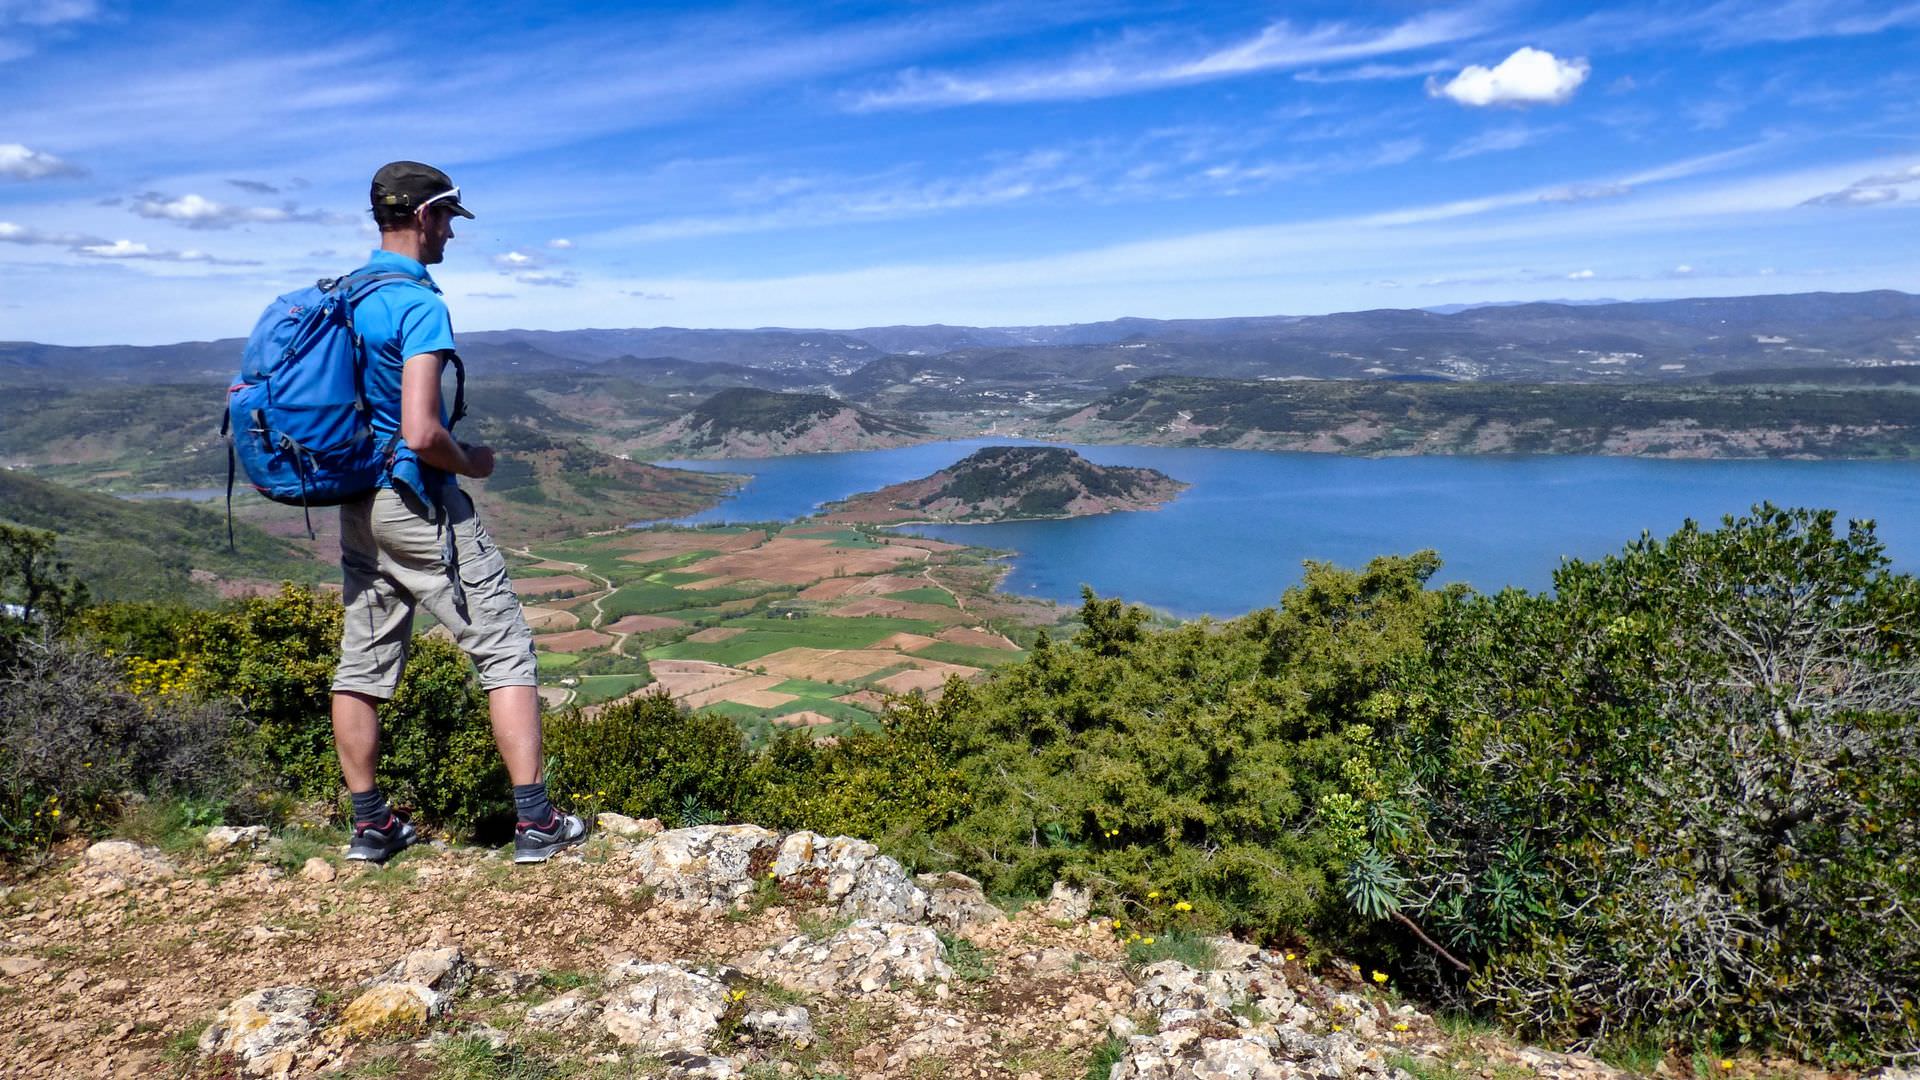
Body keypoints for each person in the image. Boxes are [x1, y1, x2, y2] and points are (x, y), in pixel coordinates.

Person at [328, 161, 586, 864]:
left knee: (362, 662)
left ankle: (370, 824)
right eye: (446, 218)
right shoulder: (418, 303)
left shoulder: (346, 295)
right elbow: (420, 430)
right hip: (419, 502)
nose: (449, 233)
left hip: (358, 503)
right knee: (505, 652)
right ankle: (536, 822)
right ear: (422, 215)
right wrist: (472, 461)